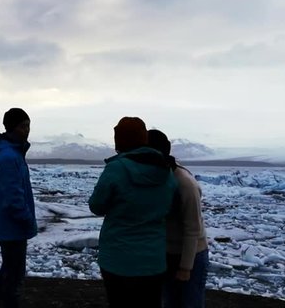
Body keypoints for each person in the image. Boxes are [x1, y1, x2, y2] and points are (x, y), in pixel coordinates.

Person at [88, 117, 177, 308]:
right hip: (153, 260)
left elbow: (96, 206)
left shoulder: (116, 168)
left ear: (119, 140)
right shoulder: (166, 170)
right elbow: (169, 205)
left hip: (118, 259)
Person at [0, 108, 37, 308]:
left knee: (9, 272)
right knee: (13, 277)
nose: (27, 130)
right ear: (12, 127)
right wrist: (26, 218)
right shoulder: (8, 157)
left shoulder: (13, 153)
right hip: (11, 226)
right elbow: (12, 196)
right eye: (23, 126)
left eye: (28, 125)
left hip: (11, 226)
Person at [147, 129, 209, 308]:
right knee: (170, 303)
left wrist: (185, 268)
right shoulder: (158, 179)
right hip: (168, 254)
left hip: (191, 256)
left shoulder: (184, 184)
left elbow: (193, 228)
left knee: (190, 303)